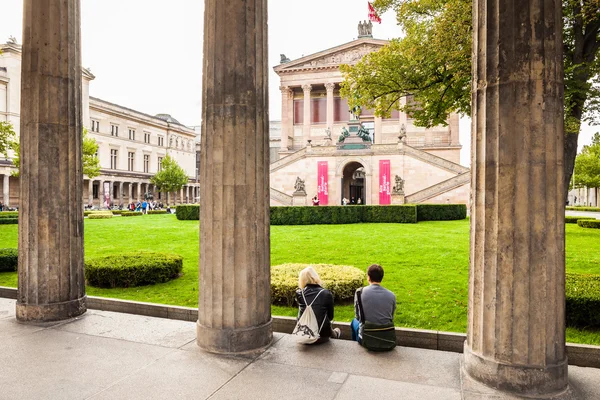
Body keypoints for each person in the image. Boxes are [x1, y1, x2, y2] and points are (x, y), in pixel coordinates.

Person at [351, 264, 397, 350]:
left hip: (366, 337)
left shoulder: (359, 292)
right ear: (381, 277)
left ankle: (356, 348)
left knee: (354, 322)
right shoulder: (391, 295)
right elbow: (391, 317)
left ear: (368, 277)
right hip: (386, 337)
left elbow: (358, 316)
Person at [295, 267, 341, 343]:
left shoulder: (299, 293)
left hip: (303, 334)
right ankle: (335, 334)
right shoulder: (326, 293)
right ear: (315, 277)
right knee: (337, 330)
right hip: (322, 336)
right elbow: (330, 316)